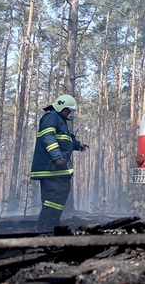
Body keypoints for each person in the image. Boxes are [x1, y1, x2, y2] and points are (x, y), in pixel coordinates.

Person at [31, 94, 88, 232]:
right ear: (62, 106)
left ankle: (51, 227)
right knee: (57, 195)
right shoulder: (51, 117)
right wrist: (57, 156)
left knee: (54, 197)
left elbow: (63, 141)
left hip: (55, 168)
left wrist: (77, 144)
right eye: (69, 109)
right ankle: (43, 226)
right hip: (52, 167)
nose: (70, 113)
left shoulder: (59, 120)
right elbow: (48, 137)